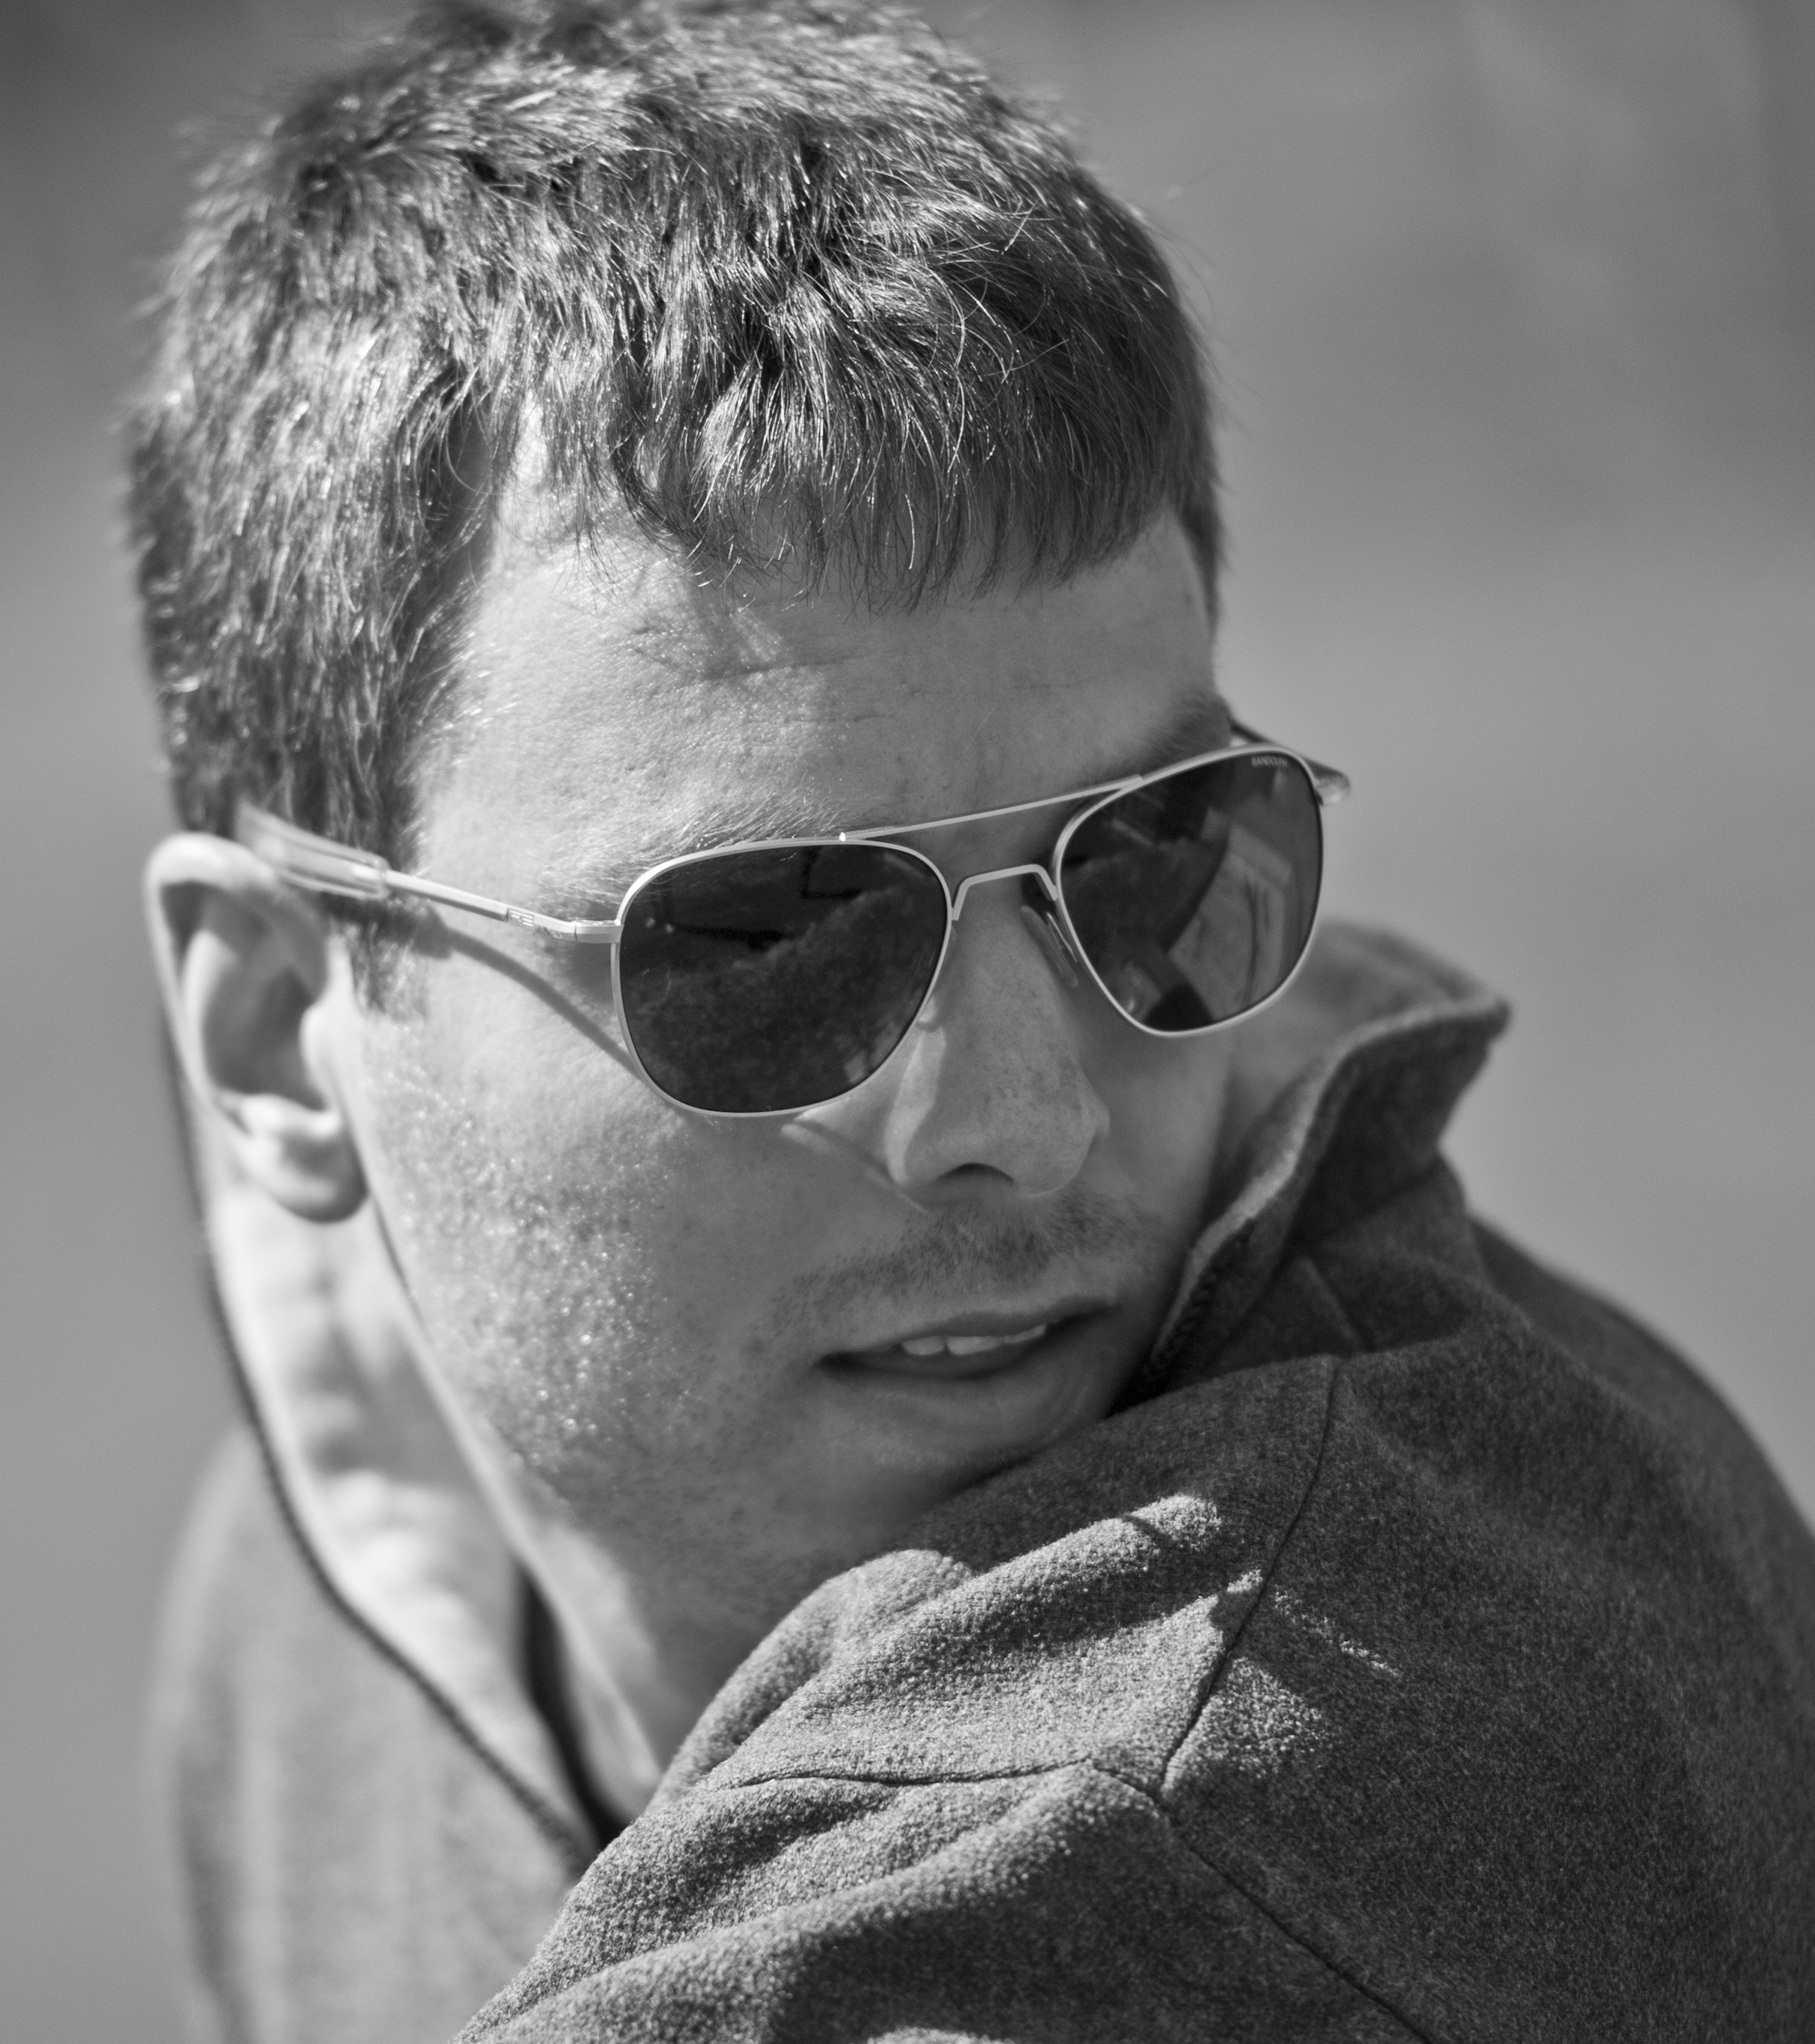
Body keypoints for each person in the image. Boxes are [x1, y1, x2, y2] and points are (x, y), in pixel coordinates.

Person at [133, 2, 1815, 2039]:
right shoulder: (324, 1580)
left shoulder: (1288, 1787)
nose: (1024, 1115)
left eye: (1155, 856)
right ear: (276, 1032)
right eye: (771, 940)